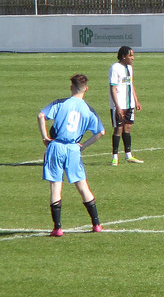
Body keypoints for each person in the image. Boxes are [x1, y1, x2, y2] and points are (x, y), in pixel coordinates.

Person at [38, 73, 105, 236]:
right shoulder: (88, 109)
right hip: (73, 149)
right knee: (82, 186)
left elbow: (41, 115)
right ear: (86, 89)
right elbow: (101, 132)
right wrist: (83, 146)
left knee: (56, 186)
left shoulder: (61, 103)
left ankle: (58, 228)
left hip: (56, 146)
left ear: (71, 87)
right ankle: (96, 224)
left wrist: (45, 138)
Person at [109, 45, 143, 165]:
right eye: (130, 55)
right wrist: (117, 106)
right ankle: (115, 156)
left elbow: (131, 84)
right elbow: (113, 88)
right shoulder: (115, 68)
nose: (133, 58)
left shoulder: (129, 67)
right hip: (119, 104)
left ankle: (128, 155)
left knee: (127, 128)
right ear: (124, 56)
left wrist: (136, 100)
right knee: (118, 129)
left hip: (129, 104)